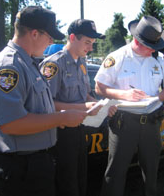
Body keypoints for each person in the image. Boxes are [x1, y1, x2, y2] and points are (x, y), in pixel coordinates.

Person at [0, 6, 88, 196]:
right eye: (49, 37)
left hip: (36, 163)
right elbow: (10, 123)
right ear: (34, 34)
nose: (50, 42)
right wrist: (61, 118)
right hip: (21, 168)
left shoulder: (28, 63)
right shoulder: (9, 66)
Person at [95, 16, 164, 196]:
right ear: (137, 40)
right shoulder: (117, 58)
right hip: (123, 123)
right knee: (116, 171)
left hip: (151, 122)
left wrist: (156, 97)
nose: (153, 51)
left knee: (150, 171)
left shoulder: (159, 58)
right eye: (150, 47)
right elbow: (99, 87)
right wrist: (123, 94)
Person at [40, 19, 116, 196]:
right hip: (60, 134)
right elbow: (44, 104)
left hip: (80, 130)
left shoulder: (81, 63)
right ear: (73, 37)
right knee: (66, 183)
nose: (90, 48)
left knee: (81, 179)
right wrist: (83, 106)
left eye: (92, 43)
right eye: (87, 42)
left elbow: (86, 95)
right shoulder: (53, 64)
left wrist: (100, 105)